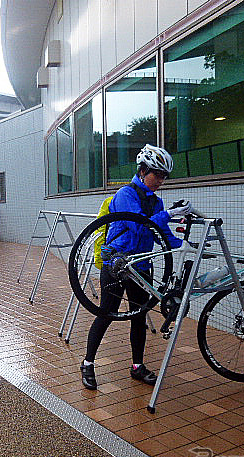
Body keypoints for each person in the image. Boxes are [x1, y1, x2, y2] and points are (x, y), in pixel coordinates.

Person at [80, 144, 191, 390]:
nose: (161, 180)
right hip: (117, 264)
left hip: (141, 265)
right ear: (143, 171)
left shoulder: (157, 202)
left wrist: (185, 245)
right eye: (157, 174)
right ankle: (88, 362)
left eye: (164, 176)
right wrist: (170, 213)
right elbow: (139, 226)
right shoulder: (125, 195)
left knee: (139, 315)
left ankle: (137, 366)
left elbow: (161, 233)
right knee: (106, 313)